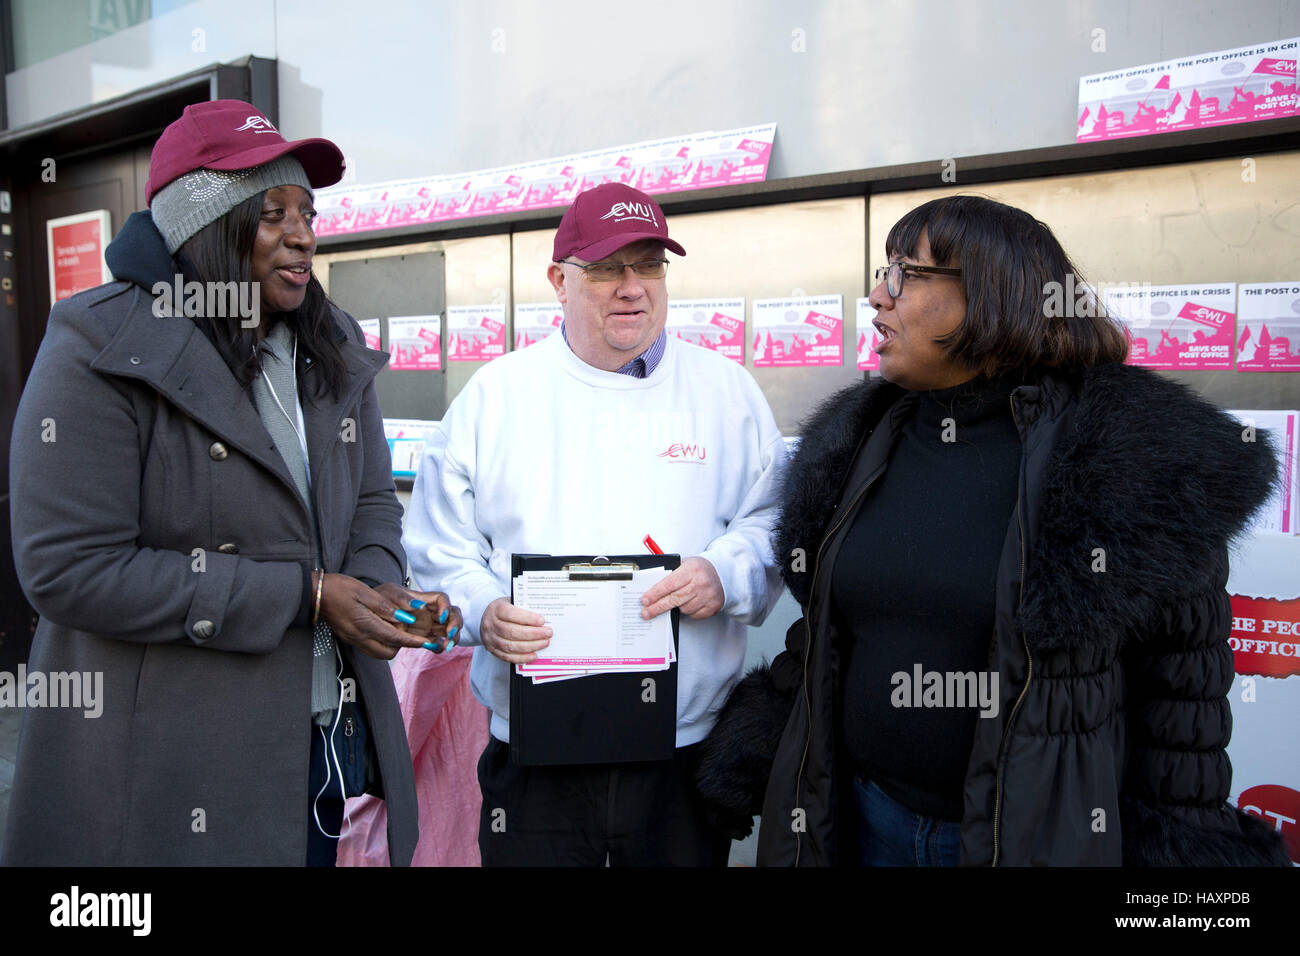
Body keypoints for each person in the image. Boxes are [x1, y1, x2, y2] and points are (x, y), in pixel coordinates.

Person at [697, 194, 1291, 867]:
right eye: (882, 271)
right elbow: (832, 634)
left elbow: (1182, 701)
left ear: (992, 293)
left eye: (904, 275)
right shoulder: (861, 439)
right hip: (859, 822)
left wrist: (1182, 860)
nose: (875, 297)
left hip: (1028, 841)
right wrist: (758, 739)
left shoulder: (1131, 458)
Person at [4, 99, 460, 866]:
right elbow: (68, 569)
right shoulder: (99, 341)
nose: (304, 236)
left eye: (308, 213)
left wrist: (383, 593)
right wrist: (306, 596)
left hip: (321, 750)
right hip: (172, 776)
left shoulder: (330, 340)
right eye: (272, 212)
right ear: (201, 225)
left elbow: (373, 505)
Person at [403, 182, 788, 866]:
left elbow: (772, 523)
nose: (632, 287)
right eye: (608, 267)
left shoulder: (726, 393)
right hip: (537, 756)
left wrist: (721, 574)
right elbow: (439, 546)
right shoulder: (497, 398)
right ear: (559, 279)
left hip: (681, 751)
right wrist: (482, 609)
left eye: (649, 265)